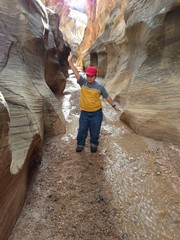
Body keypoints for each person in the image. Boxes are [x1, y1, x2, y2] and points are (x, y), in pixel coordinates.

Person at [68, 51, 120, 153]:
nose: (89, 78)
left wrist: (114, 105)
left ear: (95, 76)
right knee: (82, 130)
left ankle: (93, 143)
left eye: (91, 76)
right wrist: (70, 62)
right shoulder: (83, 83)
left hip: (96, 113)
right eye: (88, 76)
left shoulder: (100, 87)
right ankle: (80, 144)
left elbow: (107, 97)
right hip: (84, 113)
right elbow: (76, 72)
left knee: (95, 131)